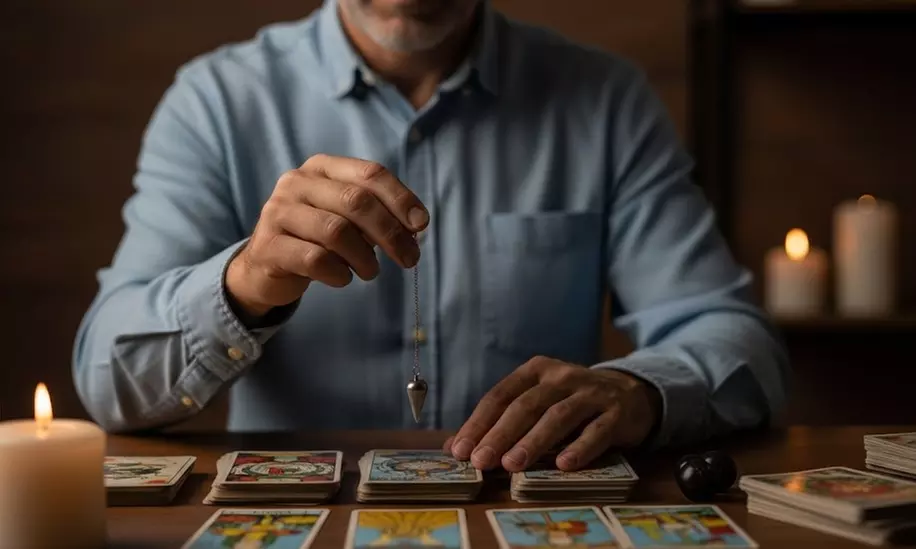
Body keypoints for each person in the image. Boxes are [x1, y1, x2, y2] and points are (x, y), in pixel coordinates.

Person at [72, 0, 791, 473]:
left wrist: (638, 392)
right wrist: (245, 283)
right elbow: (110, 379)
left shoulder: (606, 102)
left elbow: (741, 348)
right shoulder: (216, 103)